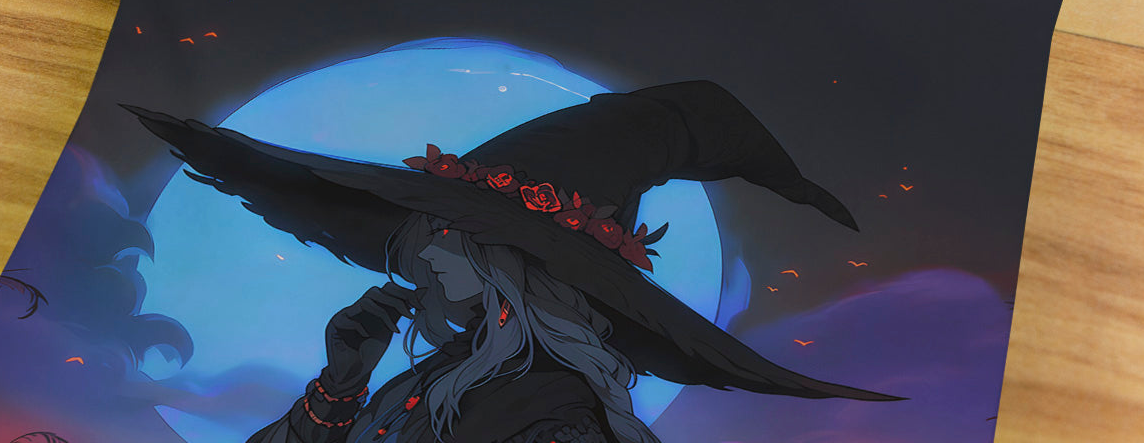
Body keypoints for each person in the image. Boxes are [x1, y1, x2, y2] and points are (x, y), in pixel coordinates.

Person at [129, 80, 900, 442]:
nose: (420, 259)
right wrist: (338, 388)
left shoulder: (557, 418)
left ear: (514, 266)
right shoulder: (438, 380)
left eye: (445, 237)